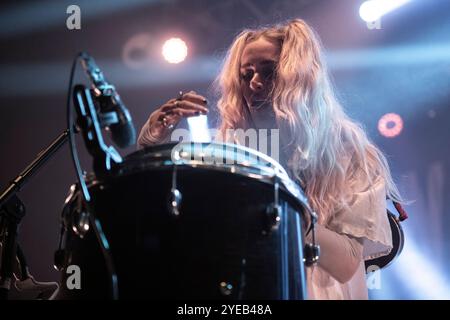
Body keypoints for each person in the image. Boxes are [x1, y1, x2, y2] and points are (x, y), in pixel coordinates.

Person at [137, 19, 402, 300]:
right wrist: (155, 136)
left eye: (269, 71)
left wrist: (272, 203)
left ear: (298, 77)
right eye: (246, 74)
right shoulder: (235, 147)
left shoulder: (349, 151)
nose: (254, 83)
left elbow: (347, 262)